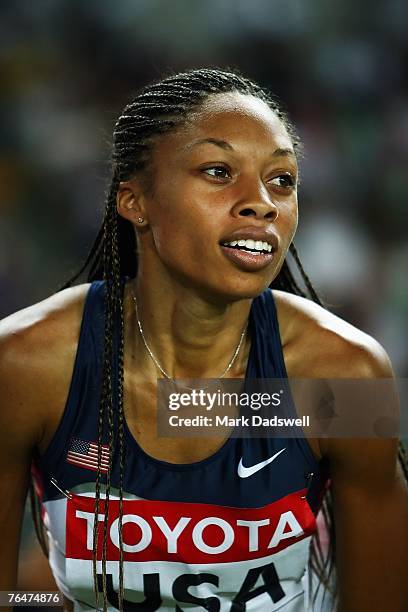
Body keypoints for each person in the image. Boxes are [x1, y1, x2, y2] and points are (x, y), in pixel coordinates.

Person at [0, 68, 407, 612]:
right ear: (134, 201)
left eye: (281, 180)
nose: (261, 203)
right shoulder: (26, 364)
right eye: (218, 171)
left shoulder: (344, 373)